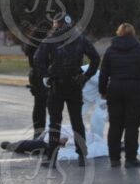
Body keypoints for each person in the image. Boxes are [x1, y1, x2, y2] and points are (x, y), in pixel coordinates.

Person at [34, 15, 100, 168]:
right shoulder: (80, 38)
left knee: (54, 123)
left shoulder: (51, 39)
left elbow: (38, 59)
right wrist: (85, 77)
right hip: (75, 85)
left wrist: (46, 75)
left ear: (58, 24)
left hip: (57, 85)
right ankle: (82, 155)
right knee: (77, 121)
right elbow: (95, 58)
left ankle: (52, 158)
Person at [99, 23, 140, 169]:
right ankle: (130, 159)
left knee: (115, 125)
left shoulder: (110, 50)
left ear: (118, 33)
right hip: (135, 90)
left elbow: (104, 74)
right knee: (132, 126)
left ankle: (114, 159)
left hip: (115, 90)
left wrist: (103, 91)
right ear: (133, 33)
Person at [22, 23, 50, 140]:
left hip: (34, 76)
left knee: (39, 105)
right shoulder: (46, 44)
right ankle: (48, 133)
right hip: (44, 76)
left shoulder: (31, 45)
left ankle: (38, 132)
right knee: (49, 105)